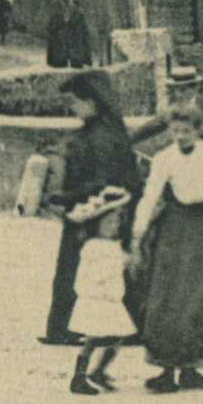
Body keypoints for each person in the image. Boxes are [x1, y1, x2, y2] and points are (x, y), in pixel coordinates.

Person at [132, 99, 203, 392]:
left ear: (198, 129)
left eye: (186, 130)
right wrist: (138, 231)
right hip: (176, 226)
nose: (181, 136)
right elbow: (151, 195)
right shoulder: (164, 158)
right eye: (176, 131)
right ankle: (165, 370)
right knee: (167, 294)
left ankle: (194, 368)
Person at [41, 70, 145, 346]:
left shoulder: (103, 136)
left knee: (88, 270)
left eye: (75, 101)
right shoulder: (101, 132)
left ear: (93, 101)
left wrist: (65, 198)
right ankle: (126, 327)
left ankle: (67, 328)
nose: (72, 107)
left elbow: (103, 182)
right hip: (93, 210)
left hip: (101, 214)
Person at [64, 187, 136, 394]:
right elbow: (96, 274)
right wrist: (118, 264)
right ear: (96, 225)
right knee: (93, 339)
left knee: (117, 336)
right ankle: (79, 376)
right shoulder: (94, 247)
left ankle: (98, 370)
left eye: (116, 222)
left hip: (111, 300)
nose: (114, 226)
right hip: (97, 300)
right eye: (109, 223)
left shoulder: (112, 246)